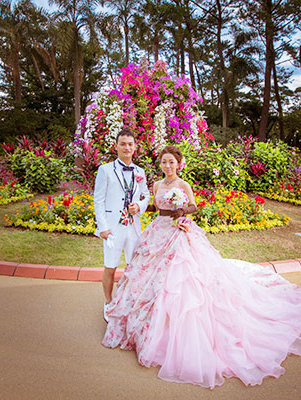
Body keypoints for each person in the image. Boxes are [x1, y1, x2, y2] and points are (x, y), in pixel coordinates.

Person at [102, 145, 301, 389]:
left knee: (181, 281)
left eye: (171, 163)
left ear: (178, 164)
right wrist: (145, 207)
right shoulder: (156, 185)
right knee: (146, 276)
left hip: (178, 233)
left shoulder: (183, 185)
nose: (167, 166)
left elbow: (194, 206)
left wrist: (182, 211)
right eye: (164, 162)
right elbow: (154, 206)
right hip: (157, 232)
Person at [94, 128, 150, 322]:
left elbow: (146, 195)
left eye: (130, 144)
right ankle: (108, 303)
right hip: (112, 228)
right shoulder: (105, 170)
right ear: (116, 146)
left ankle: (129, 302)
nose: (127, 147)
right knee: (110, 266)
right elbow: (98, 200)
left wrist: (140, 206)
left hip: (133, 227)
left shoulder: (140, 171)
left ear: (135, 148)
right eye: (123, 144)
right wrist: (102, 228)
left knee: (134, 266)